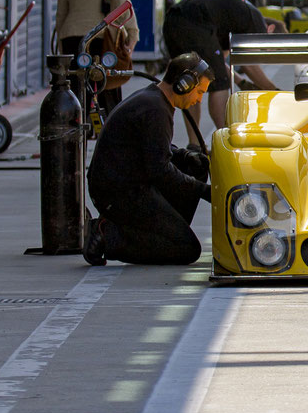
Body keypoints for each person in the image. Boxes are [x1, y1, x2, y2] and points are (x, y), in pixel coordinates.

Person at [83, 53, 213, 266]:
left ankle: (166, 229)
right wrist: (204, 191)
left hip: (129, 181)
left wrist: (183, 155)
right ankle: (107, 235)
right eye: (199, 91)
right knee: (187, 249)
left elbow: (151, 145)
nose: (198, 99)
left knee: (193, 166)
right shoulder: (155, 109)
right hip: (118, 193)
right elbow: (159, 169)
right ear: (184, 84)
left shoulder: (154, 100)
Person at [162, 0, 278, 148]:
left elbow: (218, 63)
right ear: (270, 29)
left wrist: (241, 81)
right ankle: (227, 142)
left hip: (173, 19)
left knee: (191, 80)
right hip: (196, 20)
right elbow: (247, 63)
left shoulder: (232, 19)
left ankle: (195, 144)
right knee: (221, 85)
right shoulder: (257, 23)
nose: (263, 53)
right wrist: (273, 90)